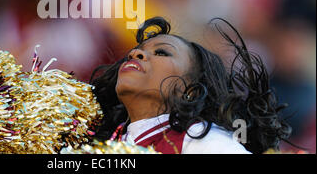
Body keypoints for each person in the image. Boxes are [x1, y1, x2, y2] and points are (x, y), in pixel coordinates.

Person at [90, 17, 293, 154]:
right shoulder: (101, 137)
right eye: (133, 52)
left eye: (162, 52)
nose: (135, 54)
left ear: (191, 90)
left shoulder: (205, 141)